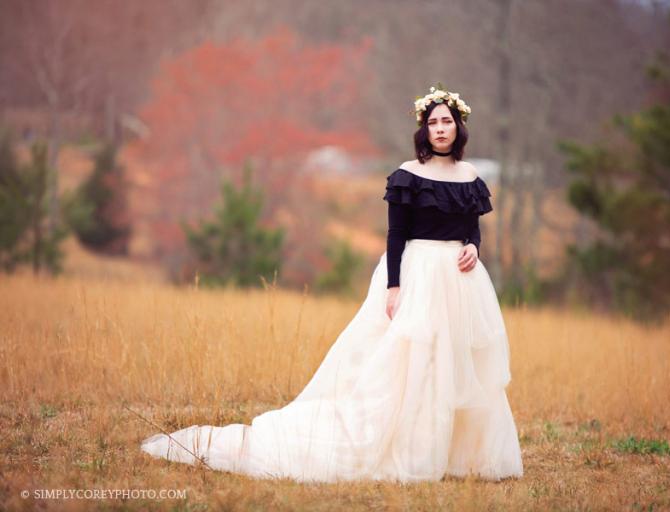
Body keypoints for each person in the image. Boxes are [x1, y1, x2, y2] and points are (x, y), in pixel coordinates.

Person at [140, 84, 524, 483]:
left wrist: (474, 249)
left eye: (447, 121)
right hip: (419, 275)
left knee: (458, 363)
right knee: (414, 365)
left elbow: (472, 230)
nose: (440, 129)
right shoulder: (409, 176)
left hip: (460, 282)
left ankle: (458, 454)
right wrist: (394, 287)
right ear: (423, 130)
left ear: (458, 127)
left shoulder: (471, 176)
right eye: (433, 122)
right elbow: (396, 236)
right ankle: (412, 447)